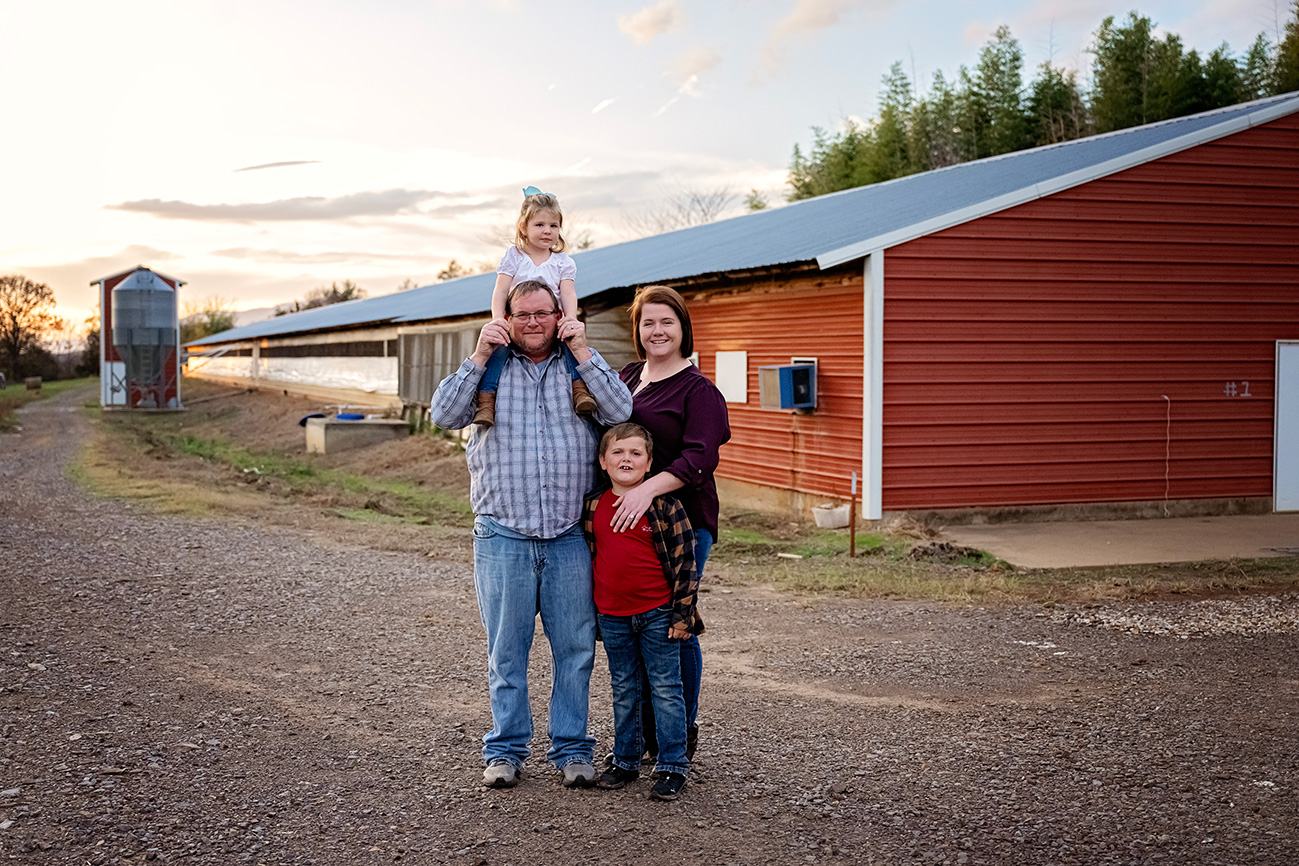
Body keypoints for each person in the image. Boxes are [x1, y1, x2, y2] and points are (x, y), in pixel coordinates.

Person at [429, 278, 633, 789]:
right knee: (506, 652)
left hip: (568, 537)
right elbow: (443, 415)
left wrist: (583, 348)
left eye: (544, 313)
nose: (534, 322)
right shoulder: (489, 368)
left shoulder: (576, 367)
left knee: (576, 651)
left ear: (559, 314)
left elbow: (622, 411)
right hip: (503, 536)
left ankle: (570, 749)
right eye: (523, 314)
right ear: (508, 317)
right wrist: (479, 352)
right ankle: (505, 750)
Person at [611, 285, 730, 762]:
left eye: (666, 322)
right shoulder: (626, 376)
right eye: (648, 323)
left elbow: (701, 456)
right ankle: (642, 732)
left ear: (683, 328)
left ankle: (679, 730)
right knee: (634, 626)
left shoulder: (698, 390)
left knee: (673, 624)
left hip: (682, 522)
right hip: (630, 523)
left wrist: (645, 489)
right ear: (637, 331)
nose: (657, 331)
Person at [583, 423, 700, 802]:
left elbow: (686, 563)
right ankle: (626, 760)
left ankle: (672, 765)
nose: (626, 459)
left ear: (650, 464)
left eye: (636, 453)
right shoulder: (593, 505)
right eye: (618, 452)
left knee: (666, 689)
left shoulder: (665, 506)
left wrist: (683, 615)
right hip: (613, 616)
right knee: (624, 689)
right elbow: (591, 558)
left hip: (658, 614)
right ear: (603, 461)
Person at [474, 186, 595, 427]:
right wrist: (498, 318)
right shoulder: (514, 256)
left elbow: (568, 292)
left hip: (553, 320)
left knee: (571, 349)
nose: (547, 231)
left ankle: (579, 390)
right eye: (539, 225)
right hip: (518, 320)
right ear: (524, 228)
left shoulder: (563, 262)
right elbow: (500, 289)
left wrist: (570, 318)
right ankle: (487, 400)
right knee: (497, 354)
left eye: (553, 226)